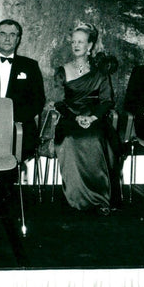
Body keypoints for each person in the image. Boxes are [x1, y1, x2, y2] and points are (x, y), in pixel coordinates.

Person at [0, 19, 45, 199]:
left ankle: (2, 182)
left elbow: (38, 100)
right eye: (3, 34)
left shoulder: (30, 66)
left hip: (20, 126)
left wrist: (13, 119)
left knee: (17, 138)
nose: (7, 39)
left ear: (18, 39)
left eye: (12, 35)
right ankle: (6, 181)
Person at [53, 22, 121, 215]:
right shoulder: (62, 70)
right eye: (73, 41)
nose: (76, 45)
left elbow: (107, 100)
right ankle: (77, 198)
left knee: (98, 139)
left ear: (89, 46)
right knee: (70, 140)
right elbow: (59, 102)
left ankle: (101, 198)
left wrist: (92, 117)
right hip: (69, 118)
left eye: (81, 42)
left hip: (96, 118)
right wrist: (75, 118)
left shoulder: (100, 71)